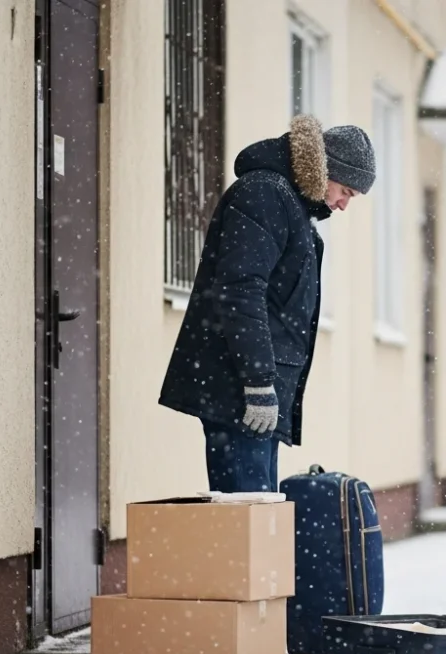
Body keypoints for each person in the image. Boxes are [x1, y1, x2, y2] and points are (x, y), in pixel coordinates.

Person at [160, 115, 376, 494]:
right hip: (240, 391)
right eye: (345, 191)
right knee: (246, 520)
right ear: (327, 170)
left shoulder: (289, 205)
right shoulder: (265, 194)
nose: (343, 204)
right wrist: (259, 382)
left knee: (257, 522)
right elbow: (241, 289)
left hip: (255, 394)